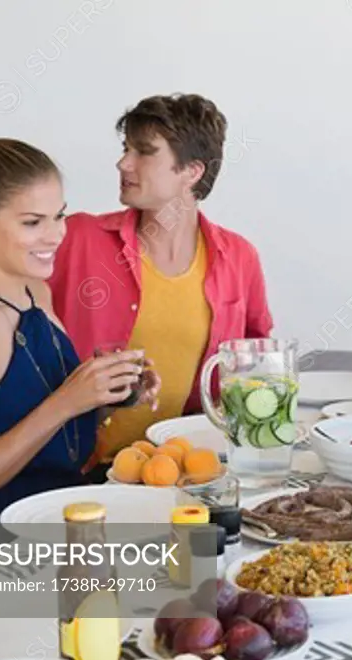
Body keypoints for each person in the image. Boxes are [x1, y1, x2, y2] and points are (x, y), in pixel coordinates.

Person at [0, 136, 161, 524]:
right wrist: (67, 401)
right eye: (33, 222)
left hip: (68, 532)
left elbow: (35, 421)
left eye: (59, 216)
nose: (56, 236)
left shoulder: (36, 291)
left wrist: (107, 393)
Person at [49, 93, 273, 478]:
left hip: (184, 472)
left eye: (144, 152)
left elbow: (256, 366)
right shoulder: (78, 237)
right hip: (76, 471)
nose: (124, 163)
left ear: (192, 172)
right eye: (125, 149)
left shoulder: (239, 257)